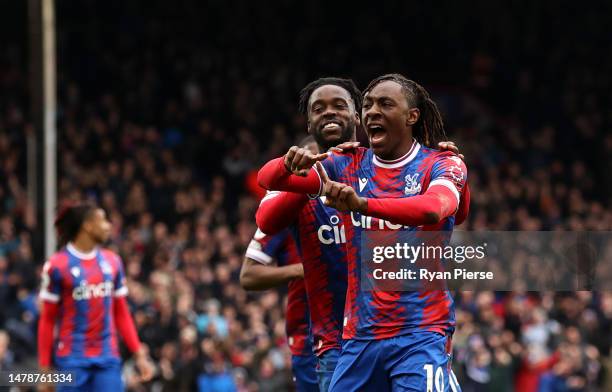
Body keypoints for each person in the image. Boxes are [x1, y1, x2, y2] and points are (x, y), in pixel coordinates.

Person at [257, 76, 468, 391]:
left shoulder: (442, 161)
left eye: (384, 104)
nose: (372, 111)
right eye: (367, 104)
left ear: (412, 116)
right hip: (357, 338)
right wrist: (289, 164)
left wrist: (362, 205)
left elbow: (434, 208)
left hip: (419, 332)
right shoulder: (346, 163)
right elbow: (267, 182)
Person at [38, 202, 155, 391]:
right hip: (71, 360)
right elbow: (47, 319)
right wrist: (44, 370)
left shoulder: (113, 262)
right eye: (103, 220)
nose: (109, 226)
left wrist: (139, 354)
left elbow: (121, 313)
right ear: (87, 225)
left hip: (107, 359)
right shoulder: (57, 266)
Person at [240, 151, 318, 392]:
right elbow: (248, 276)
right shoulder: (286, 210)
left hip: (360, 330)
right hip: (309, 335)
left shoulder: (354, 195)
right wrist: (302, 269)